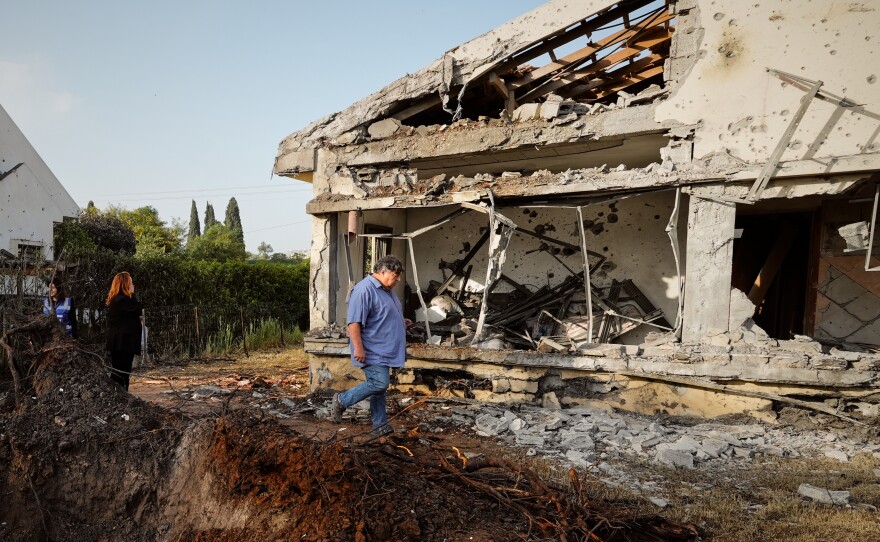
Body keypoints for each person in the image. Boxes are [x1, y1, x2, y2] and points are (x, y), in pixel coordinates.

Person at [331, 255, 411, 436]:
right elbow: (354, 323)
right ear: (383, 272)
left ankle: (379, 426)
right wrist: (358, 347)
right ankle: (342, 400)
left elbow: (381, 315)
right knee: (379, 383)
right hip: (371, 349)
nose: (398, 279)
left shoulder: (386, 290)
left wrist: (401, 321)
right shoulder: (364, 290)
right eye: (396, 275)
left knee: (379, 390)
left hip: (384, 349)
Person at [105, 272, 143, 391]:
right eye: (130, 283)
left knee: (121, 370)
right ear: (125, 284)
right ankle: (120, 393)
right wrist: (132, 294)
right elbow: (138, 309)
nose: (133, 285)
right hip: (123, 342)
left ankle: (120, 393)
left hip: (122, 342)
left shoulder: (119, 300)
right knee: (122, 370)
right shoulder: (122, 301)